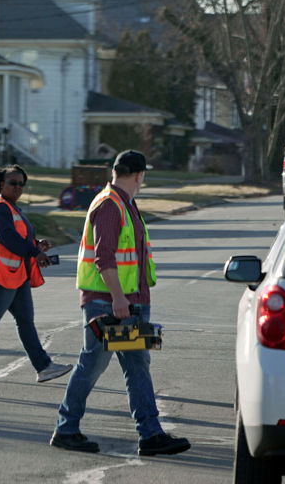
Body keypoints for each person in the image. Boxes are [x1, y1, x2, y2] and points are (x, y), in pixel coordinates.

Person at [50, 149, 191, 457]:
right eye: (144, 175)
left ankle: (150, 434)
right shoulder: (111, 206)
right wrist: (118, 299)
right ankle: (67, 428)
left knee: (137, 366)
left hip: (129, 302)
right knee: (92, 365)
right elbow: (103, 258)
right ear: (139, 175)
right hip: (110, 305)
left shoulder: (125, 203)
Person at [0, 164, 72, 384]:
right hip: (0, 275)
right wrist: (33, 252)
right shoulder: (0, 207)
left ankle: (44, 367)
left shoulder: (11, 207)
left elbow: (17, 236)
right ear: (1, 184)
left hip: (15, 274)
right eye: (13, 183)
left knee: (25, 321)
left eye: (21, 184)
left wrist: (36, 244)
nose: (18, 187)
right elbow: (7, 237)